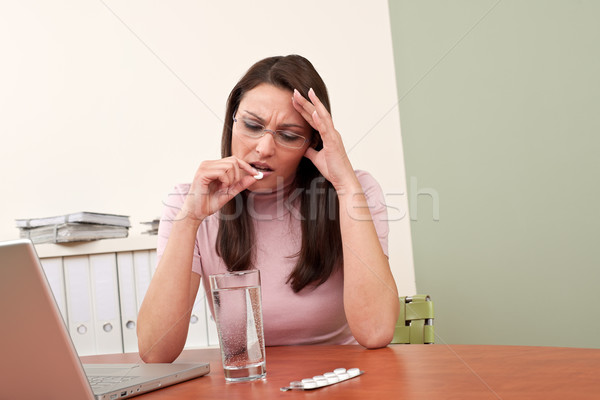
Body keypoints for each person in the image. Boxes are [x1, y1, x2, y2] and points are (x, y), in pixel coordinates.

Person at [137, 54, 400, 363]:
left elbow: (376, 331)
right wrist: (189, 220)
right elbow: (155, 352)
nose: (263, 148)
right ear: (232, 120)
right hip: (247, 380)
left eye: (289, 135)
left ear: (313, 143)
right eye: (251, 125)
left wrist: (345, 186)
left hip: (340, 379)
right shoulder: (189, 202)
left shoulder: (357, 191)